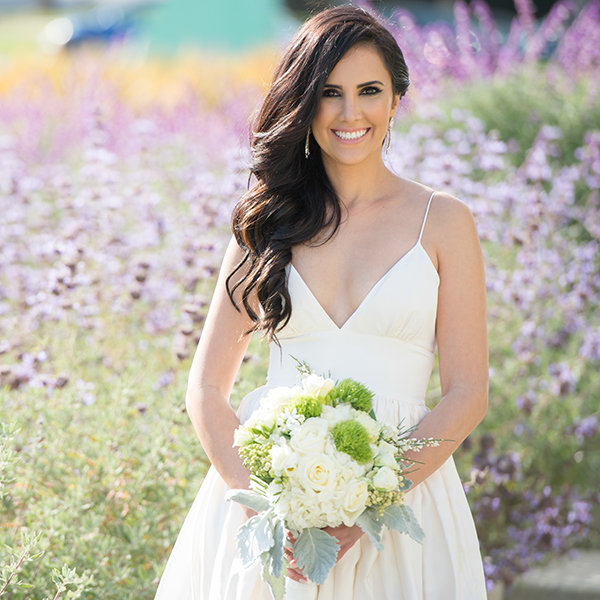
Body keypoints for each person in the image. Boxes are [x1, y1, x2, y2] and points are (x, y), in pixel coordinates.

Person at [154, 5, 488, 599]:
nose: (350, 112)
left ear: (396, 99)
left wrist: (367, 507)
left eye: (369, 90)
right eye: (330, 93)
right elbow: (205, 389)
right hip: (269, 512)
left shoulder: (444, 222)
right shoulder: (265, 222)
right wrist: (263, 507)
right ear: (304, 103)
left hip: (403, 506)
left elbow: (467, 394)